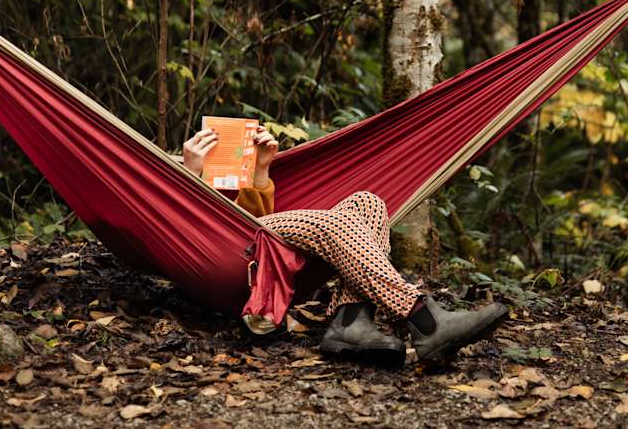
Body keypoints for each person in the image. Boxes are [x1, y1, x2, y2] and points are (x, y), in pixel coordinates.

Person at [181, 125, 508, 366]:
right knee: (336, 223)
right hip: (224, 249)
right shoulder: (182, 171)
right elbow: (186, 234)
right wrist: (189, 173)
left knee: (370, 204)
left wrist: (262, 170)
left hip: (260, 245)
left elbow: (256, 218)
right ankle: (424, 319)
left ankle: (350, 323)